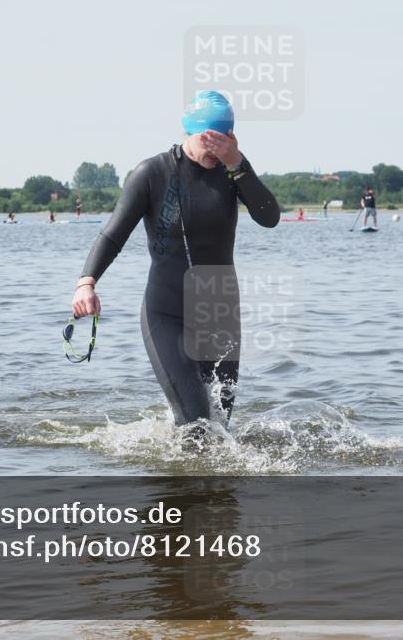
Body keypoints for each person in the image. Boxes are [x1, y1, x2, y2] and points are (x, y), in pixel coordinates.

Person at [71, 90, 279, 438]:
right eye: (209, 139)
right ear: (192, 132)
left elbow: (269, 217)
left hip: (220, 311)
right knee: (197, 423)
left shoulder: (233, 170)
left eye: (224, 139)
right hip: (167, 313)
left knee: (220, 428)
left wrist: (237, 164)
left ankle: (209, 491)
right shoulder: (152, 174)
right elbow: (112, 234)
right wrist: (86, 283)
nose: (216, 148)